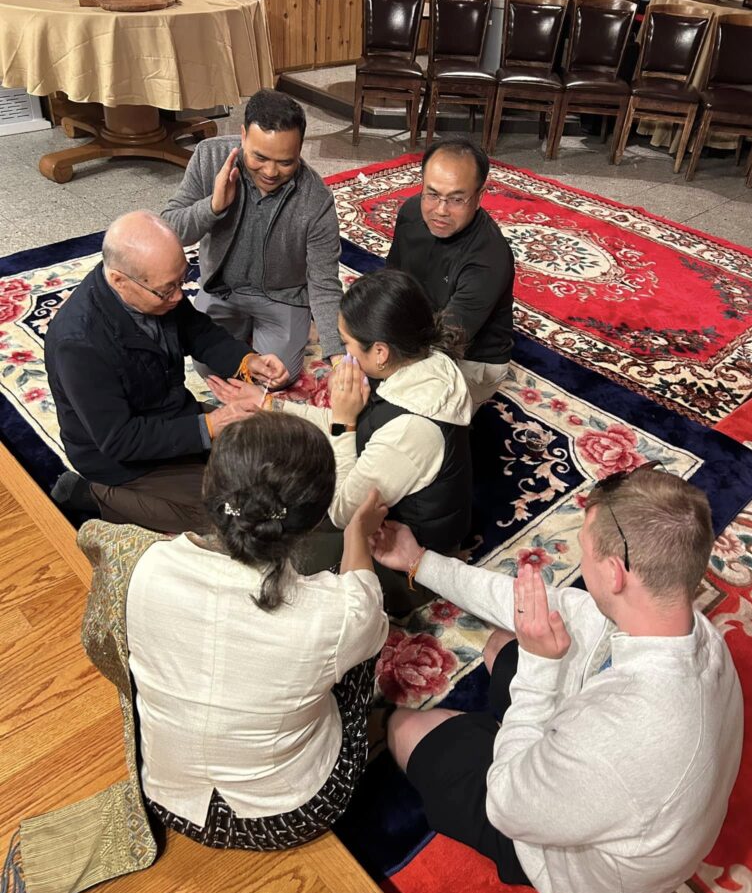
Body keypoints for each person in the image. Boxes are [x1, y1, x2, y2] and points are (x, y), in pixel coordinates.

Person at [371, 463, 743, 893]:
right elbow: (531, 605)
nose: (579, 564)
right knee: (502, 644)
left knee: (408, 726)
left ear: (613, 574)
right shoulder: (685, 625)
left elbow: (505, 804)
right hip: (613, 764)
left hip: (584, 866)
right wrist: (418, 561)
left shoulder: (626, 733)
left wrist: (539, 670)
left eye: (584, 549)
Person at [125, 413, 390, 850]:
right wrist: (357, 532)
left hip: (165, 796)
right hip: (288, 815)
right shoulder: (338, 612)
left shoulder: (148, 564)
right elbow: (363, 596)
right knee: (364, 641)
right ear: (317, 516)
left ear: (209, 489)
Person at [209, 269, 473, 590]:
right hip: (383, 507)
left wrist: (343, 424)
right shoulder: (418, 360)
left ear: (380, 351)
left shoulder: (411, 428)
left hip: (404, 559)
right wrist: (271, 406)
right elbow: (353, 423)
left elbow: (343, 513)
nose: (343, 355)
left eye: (347, 344)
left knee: (273, 562)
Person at [45, 210, 288, 535]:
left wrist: (248, 361)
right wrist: (210, 425)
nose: (178, 296)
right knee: (237, 517)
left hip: (173, 415)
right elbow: (121, 440)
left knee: (278, 458)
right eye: (167, 290)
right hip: (123, 460)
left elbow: (198, 331)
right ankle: (93, 495)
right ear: (119, 280)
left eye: (181, 281)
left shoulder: (152, 290)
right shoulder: (78, 344)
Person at [162, 89, 345, 385]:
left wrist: (338, 357)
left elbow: (324, 282)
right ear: (243, 135)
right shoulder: (209, 157)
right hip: (222, 289)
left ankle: (298, 324)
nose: (271, 172)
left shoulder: (316, 198)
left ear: (300, 149)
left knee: (276, 377)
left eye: (286, 162)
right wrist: (213, 207)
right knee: (212, 369)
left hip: (283, 296)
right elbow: (169, 230)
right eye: (260, 157)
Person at [386, 138, 515, 412]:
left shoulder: (488, 257)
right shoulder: (411, 212)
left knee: (403, 414)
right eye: (432, 194)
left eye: (456, 199)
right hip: (421, 328)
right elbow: (391, 280)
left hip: (471, 356)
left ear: (479, 197)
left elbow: (448, 341)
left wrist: (391, 367)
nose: (441, 211)